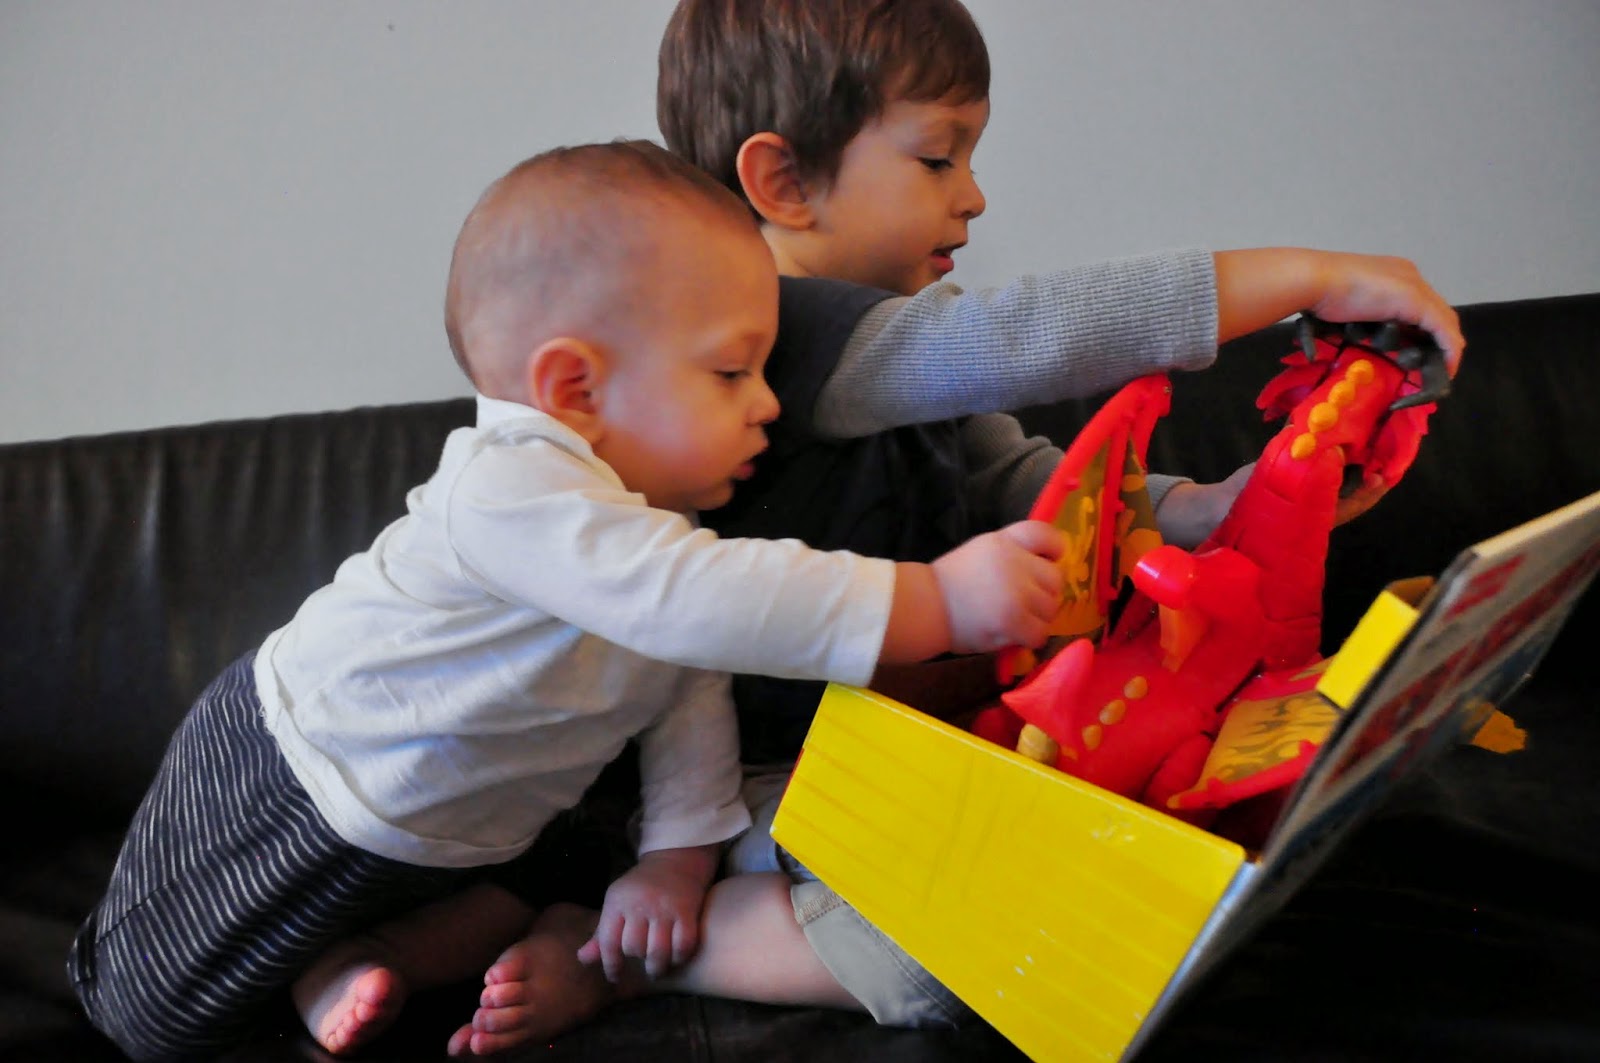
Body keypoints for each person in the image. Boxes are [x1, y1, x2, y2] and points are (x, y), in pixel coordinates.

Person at [430, 0, 1463, 1048]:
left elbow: (1021, 479)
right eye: (937, 158)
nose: (972, 196)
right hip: (754, 789)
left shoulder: (890, 360)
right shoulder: (789, 331)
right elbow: (1014, 339)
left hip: (918, 744)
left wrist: (1209, 507)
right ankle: (626, 953)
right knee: (980, 955)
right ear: (783, 182)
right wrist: (1304, 278)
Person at [65, 139, 1073, 1062]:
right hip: (303, 774)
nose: (768, 403)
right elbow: (693, 607)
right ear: (575, 390)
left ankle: (365, 958)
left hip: (460, 838)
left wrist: (676, 860)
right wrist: (936, 599)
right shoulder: (510, 484)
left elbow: (686, 694)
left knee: (517, 899)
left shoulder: (656, 530)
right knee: (152, 1016)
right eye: (732, 371)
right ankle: (311, 964)